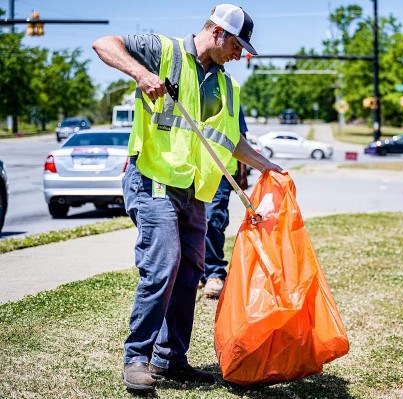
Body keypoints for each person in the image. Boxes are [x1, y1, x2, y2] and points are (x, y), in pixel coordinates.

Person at [92, 4, 282, 392]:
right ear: (217, 33)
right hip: (152, 180)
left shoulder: (228, 86)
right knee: (164, 265)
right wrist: (142, 74)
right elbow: (103, 43)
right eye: (237, 45)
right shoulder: (164, 52)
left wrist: (268, 166)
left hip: (195, 190)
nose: (240, 54)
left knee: (191, 272)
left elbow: (232, 142)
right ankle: (137, 359)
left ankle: (170, 359)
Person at [201, 112, 249, 299]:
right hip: (193, 168)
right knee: (189, 220)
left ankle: (214, 273)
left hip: (222, 171)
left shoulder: (229, 93)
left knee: (213, 218)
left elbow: (240, 135)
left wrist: (242, 171)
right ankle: (196, 270)